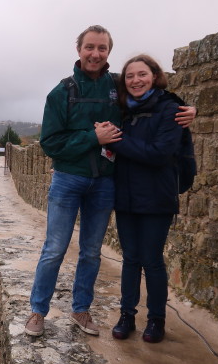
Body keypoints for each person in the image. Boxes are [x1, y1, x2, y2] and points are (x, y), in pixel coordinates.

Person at [24, 25, 195, 337]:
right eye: (90, 47)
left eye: (102, 49)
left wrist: (188, 110)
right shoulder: (61, 92)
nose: (95, 54)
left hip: (104, 182)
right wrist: (93, 137)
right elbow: (50, 143)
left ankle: (81, 309)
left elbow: (157, 96)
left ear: (108, 53)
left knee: (91, 251)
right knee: (55, 248)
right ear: (79, 50)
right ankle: (37, 311)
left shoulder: (119, 87)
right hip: (68, 179)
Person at [100, 54, 184, 343]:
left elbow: (159, 153)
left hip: (156, 198)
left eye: (142, 74)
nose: (136, 80)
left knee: (152, 260)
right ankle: (127, 315)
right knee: (131, 259)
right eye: (130, 76)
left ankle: (156, 320)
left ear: (154, 76)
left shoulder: (170, 108)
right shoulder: (123, 110)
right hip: (126, 197)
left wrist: (119, 141)